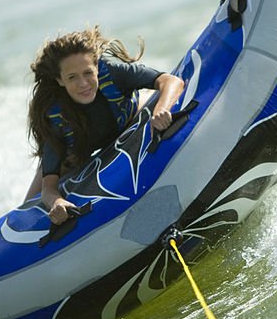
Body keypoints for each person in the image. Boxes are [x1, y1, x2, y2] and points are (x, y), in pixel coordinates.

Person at [25, 26, 185, 224]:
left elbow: (171, 81)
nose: (83, 83)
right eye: (72, 77)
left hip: (129, 119)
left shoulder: (112, 72)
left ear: (96, 68)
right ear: (60, 80)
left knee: (148, 101)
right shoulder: (57, 116)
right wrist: (57, 202)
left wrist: (161, 109)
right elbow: (48, 188)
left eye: (87, 73)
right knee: (29, 203)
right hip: (80, 148)